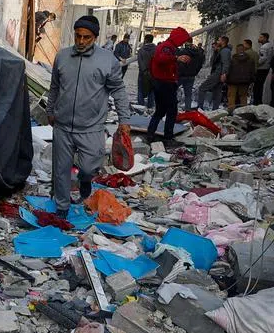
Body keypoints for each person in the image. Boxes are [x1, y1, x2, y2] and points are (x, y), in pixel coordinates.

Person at [46, 15, 130, 216]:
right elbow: (54, 87)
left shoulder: (107, 60)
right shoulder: (62, 56)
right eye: (78, 36)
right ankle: (62, 208)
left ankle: (85, 181)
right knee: (61, 169)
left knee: (88, 168)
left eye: (87, 37)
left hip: (91, 127)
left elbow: (118, 90)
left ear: (95, 37)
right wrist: (50, 110)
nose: (81, 42)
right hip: (63, 125)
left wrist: (124, 120)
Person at [146, 27, 192, 142]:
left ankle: (151, 134)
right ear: (178, 38)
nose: (182, 43)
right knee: (171, 111)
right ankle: (168, 136)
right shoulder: (167, 47)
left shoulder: (169, 47)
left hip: (161, 82)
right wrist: (177, 58)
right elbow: (161, 59)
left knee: (160, 111)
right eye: (182, 40)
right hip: (165, 83)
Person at [196, 36, 231, 110]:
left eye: (218, 40)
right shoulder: (222, 50)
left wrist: (224, 74)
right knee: (217, 92)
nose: (217, 42)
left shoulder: (225, 51)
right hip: (218, 72)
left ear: (223, 41)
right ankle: (215, 109)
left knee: (202, 88)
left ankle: (200, 108)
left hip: (218, 73)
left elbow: (226, 63)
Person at [226, 41, 256, 109]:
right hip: (245, 82)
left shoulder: (232, 59)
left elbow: (228, 69)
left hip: (232, 81)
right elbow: (252, 71)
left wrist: (227, 79)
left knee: (231, 97)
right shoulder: (250, 60)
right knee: (243, 97)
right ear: (244, 50)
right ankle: (243, 112)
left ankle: (231, 111)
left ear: (236, 50)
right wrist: (251, 80)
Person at [177, 38, 204, 109]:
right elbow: (200, 64)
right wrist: (195, 72)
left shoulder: (183, 51)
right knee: (188, 95)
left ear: (186, 42)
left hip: (181, 75)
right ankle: (188, 110)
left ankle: (171, 109)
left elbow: (178, 63)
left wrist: (179, 72)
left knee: (172, 91)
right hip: (191, 75)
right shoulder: (198, 52)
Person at [135, 34, 157, 109]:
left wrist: (144, 70)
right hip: (153, 73)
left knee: (140, 89)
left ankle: (140, 107)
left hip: (142, 73)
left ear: (145, 40)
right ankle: (150, 106)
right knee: (152, 90)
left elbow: (140, 61)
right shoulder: (156, 49)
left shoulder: (141, 50)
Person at [253, 32, 274, 105]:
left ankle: (257, 102)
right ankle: (258, 102)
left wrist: (256, 64)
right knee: (259, 86)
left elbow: (263, 58)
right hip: (266, 68)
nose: (259, 39)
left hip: (262, 68)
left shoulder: (264, 47)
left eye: (261, 37)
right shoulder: (270, 46)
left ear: (265, 38)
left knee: (257, 87)